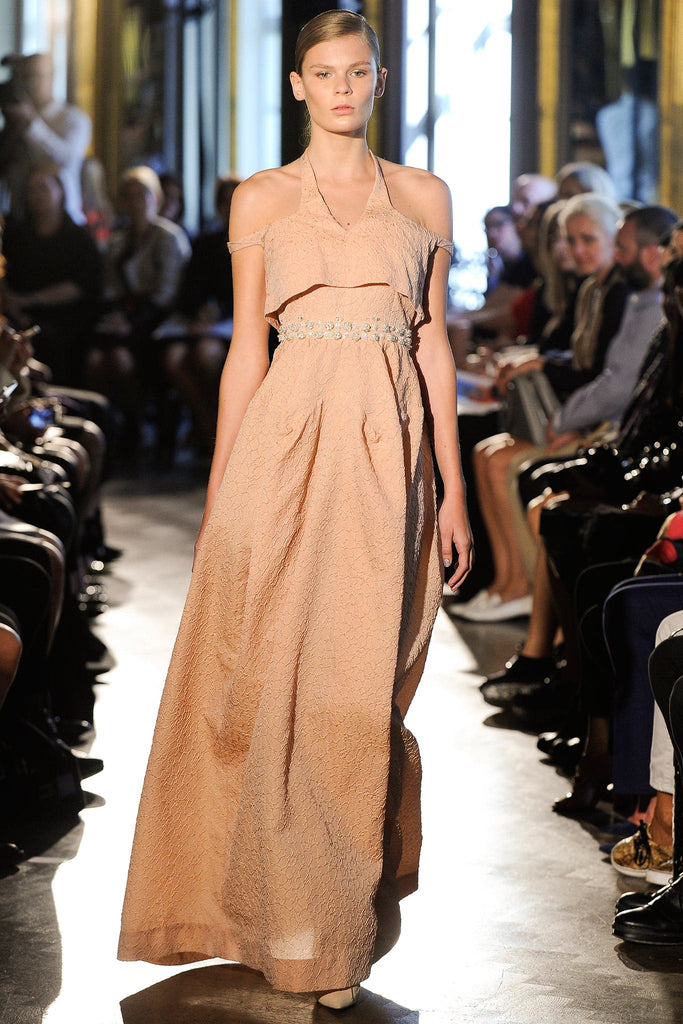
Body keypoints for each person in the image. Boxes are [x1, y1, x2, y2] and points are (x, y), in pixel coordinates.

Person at [117, 9, 472, 1010]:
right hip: (282, 448)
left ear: (379, 80)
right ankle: (297, 928)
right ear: (298, 85)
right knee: (268, 679)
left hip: (389, 456)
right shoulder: (262, 198)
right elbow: (245, 349)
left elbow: (433, 346)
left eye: (356, 72)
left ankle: (332, 914)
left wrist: (452, 489)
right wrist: (218, 493)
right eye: (324, 73)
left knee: (358, 694)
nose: (341, 89)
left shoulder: (424, 195)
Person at [2, 165, 102, 384]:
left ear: (60, 191)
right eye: (31, 189)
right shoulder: (15, 235)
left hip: (64, 319)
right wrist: (14, 307)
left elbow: (80, 286)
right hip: (16, 314)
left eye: (43, 188)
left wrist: (29, 301)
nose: (37, 195)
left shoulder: (78, 239)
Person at [0, 53, 91, 224]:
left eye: (36, 75)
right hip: (21, 220)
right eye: (25, 77)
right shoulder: (15, 121)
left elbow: (67, 158)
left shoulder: (74, 119)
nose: (30, 83)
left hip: (64, 221)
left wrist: (31, 124)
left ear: (52, 77)